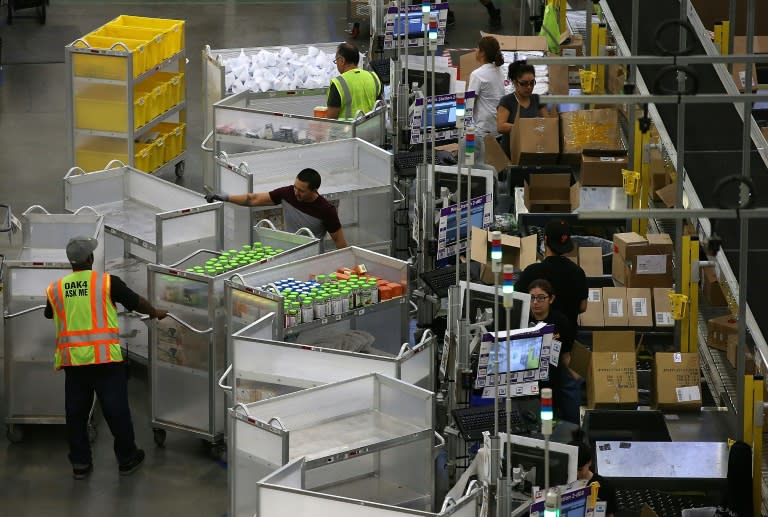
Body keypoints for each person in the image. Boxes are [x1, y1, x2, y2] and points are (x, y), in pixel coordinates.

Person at [45, 236, 168, 479]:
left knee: (76, 415)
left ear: (71, 263)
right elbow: (136, 302)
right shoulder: (107, 283)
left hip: (75, 362)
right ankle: (127, 459)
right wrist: (155, 312)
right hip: (105, 362)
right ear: (90, 259)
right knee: (117, 411)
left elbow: (50, 314)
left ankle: (80, 464)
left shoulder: (56, 289)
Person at [205, 168, 348, 249]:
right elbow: (253, 199)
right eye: (295, 187)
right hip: (288, 251)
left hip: (312, 257)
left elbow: (340, 242)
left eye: (301, 191)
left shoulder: (326, 210)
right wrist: (225, 197)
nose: (296, 193)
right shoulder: (287, 193)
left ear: (314, 191)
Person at [515, 219, 588, 329]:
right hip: (567, 338)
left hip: (537, 338)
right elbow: (583, 307)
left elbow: (516, 303)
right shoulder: (578, 272)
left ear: (545, 239)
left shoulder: (532, 271)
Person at [527, 279, 579, 424]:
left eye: (541, 297)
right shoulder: (523, 319)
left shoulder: (560, 321)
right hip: (528, 377)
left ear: (551, 299)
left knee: (551, 421)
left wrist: (578, 377)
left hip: (553, 377)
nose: (536, 302)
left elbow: (566, 354)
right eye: (532, 298)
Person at [467, 36, 506, 173]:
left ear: (482, 53)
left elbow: (469, 104)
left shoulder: (477, 75)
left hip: (483, 131)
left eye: (478, 48)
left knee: (472, 164)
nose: (476, 51)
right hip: (498, 129)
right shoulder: (500, 71)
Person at [497, 61, 550, 159]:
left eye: (532, 83)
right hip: (512, 156)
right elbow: (501, 126)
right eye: (524, 84)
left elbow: (549, 123)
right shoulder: (507, 101)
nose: (529, 87)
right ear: (514, 81)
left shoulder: (537, 99)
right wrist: (526, 128)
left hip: (533, 152)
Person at [326, 42, 382, 120]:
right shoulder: (373, 77)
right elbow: (379, 106)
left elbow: (331, 118)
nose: (336, 64)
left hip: (348, 131)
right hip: (371, 129)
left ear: (342, 60)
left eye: (336, 61)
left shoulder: (338, 83)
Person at [570, 430, 618, 517]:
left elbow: (610, 514)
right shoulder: (558, 483)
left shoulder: (605, 487)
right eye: (571, 469)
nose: (576, 474)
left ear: (589, 463)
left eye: (580, 470)